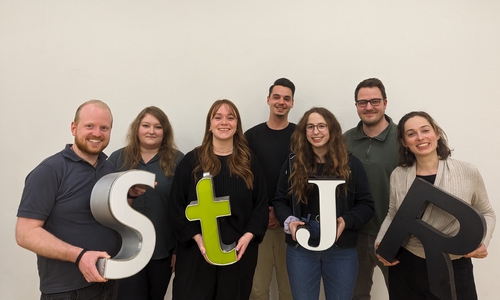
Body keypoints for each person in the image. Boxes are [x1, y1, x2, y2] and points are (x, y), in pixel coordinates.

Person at [15, 100, 142, 299]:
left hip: (108, 285)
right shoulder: (49, 171)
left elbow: (111, 219)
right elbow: (25, 233)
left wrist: (129, 195)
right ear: (74, 128)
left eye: (104, 128)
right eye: (89, 126)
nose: (97, 133)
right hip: (66, 291)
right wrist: (80, 256)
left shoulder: (108, 169)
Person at [375, 111, 496, 300]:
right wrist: (381, 242)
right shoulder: (398, 174)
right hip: (407, 263)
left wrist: (483, 241)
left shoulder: (467, 171)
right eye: (411, 133)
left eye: (425, 130)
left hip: (453, 264)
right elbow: (393, 213)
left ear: (437, 134)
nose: (420, 137)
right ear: (405, 142)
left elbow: (487, 212)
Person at [169, 99, 269, 300]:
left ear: (237, 126)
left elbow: (261, 205)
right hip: (197, 254)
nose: (224, 122)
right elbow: (176, 206)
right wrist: (197, 238)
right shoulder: (191, 162)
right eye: (218, 117)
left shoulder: (249, 162)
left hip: (238, 254)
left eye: (230, 118)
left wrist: (248, 236)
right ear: (210, 125)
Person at [273, 107, 375, 300]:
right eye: (310, 127)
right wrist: (289, 221)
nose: (316, 132)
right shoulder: (293, 163)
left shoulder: (351, 164)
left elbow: (366, 205)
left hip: (341, 248)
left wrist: (346, 221)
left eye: (321, 126)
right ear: (304, 132)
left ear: (332, 130)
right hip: (301, 246)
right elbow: (280, 200)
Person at [108, 106, 184, 300]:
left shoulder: (178, 161)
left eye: (158, 127)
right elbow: (105, 204)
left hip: (162, 252)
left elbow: (182, 209)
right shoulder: (117, 159)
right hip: (124, 251)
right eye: (146, 125)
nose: (151, 131)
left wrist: (177, 250)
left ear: (164, 132)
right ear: (137, 129)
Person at [343, 78, 397, 300]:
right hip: (353, 234)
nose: (369, 107)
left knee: (401, 291)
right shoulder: (345, 139)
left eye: (374, 101)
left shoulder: (403, 138)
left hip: (393, 235)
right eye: (362, 102)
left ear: (385, 103)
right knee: (355, 294)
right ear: (356, 105)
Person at [245, 78, 295, 300]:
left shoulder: (301, 136)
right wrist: (264, 210)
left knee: (290, 289)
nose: (281, 102)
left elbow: (304, 179)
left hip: (291, 223)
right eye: (277, 97)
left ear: (292, 103)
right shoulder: (251, 136)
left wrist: (281, 211)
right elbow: (244, 179)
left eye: (286, 98)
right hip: (258, 222)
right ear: (268, 100)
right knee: (257, 289)